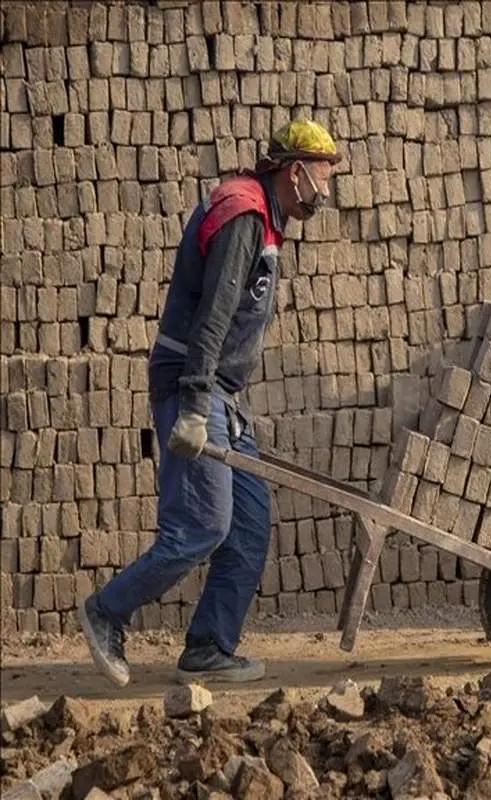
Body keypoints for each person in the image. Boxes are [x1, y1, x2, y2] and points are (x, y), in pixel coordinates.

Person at [77, 120, 341, 686]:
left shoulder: (266, 217)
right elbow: (214, 315)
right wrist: (195, 406)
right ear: (295, 173)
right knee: (202, 525)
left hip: (224, 393)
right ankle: (107, 610)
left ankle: (208, 646)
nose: (326, 192)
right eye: (323, 178)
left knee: (248, 524)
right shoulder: (244, 216)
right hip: (193, 385)